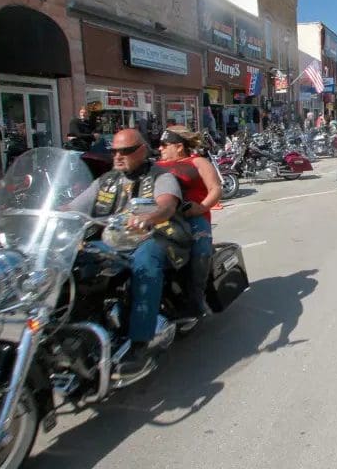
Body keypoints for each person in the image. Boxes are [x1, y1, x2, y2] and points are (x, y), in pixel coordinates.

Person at [65, 129, 182, 380]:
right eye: (114, 151)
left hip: (150, 237)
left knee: (145, 264)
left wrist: (148, 217)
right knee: (74, 263)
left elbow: (167, 204)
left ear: (142, 150)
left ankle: (141, 342)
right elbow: (75, 207)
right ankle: (74, 330)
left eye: (125, 151)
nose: (118, 156)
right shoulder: (106, 180)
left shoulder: (161, 176)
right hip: (110, 240)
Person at [156, 126, 222, 326]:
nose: (160, 149)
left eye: (164, 145)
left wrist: (200, 208)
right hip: (162, 217)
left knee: (200, 249)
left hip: (192, 217)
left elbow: (216, 189)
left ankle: (197, 297)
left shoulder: (197, 162)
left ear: (179, 147)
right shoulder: (156, 166)